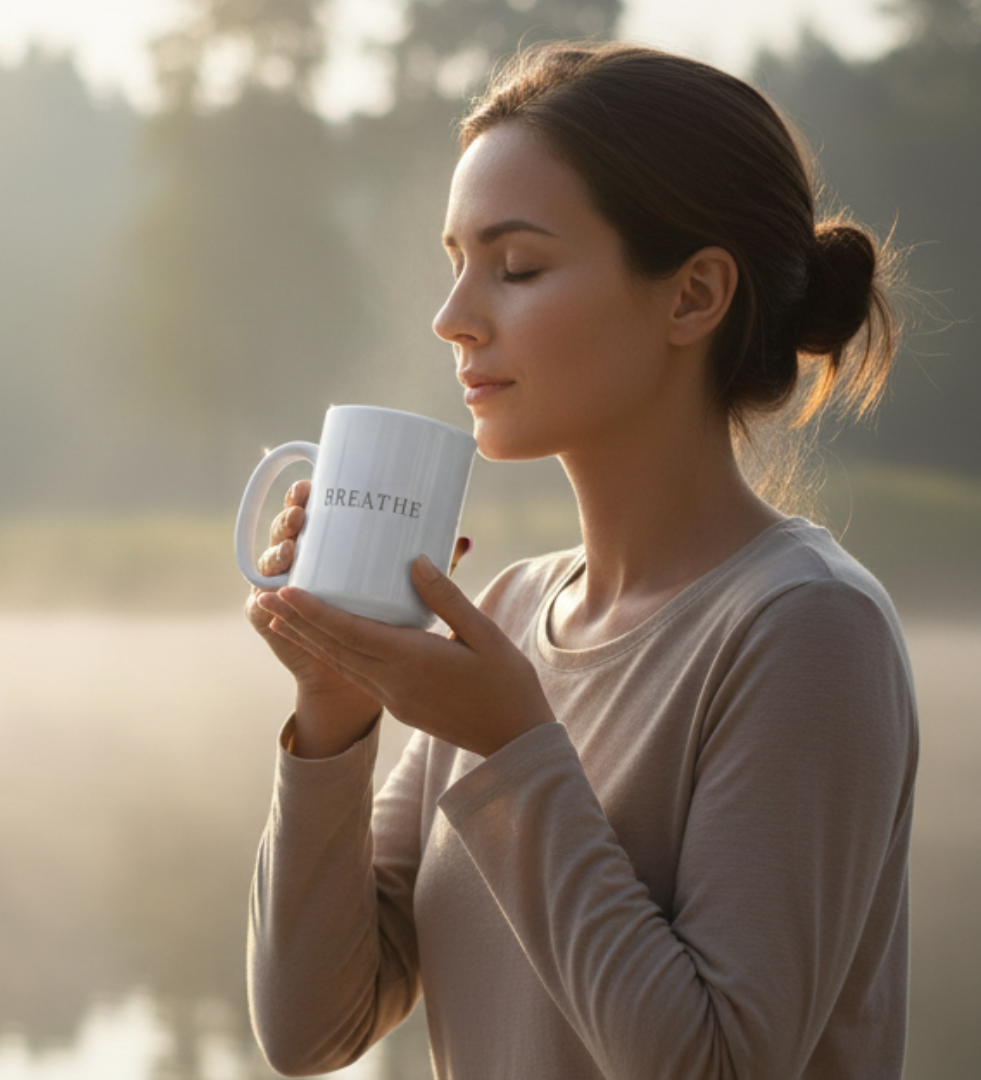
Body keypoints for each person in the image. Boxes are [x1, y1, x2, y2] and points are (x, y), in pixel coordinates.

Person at [245, 41, 918, 1080]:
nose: (453, 316)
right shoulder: (507, 616)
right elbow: (308, 1030)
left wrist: (514, 747)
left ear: (692, 297)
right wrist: (338, 709)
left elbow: (716, 1065)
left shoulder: (806, 627)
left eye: (516, 268)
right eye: (455, 262)